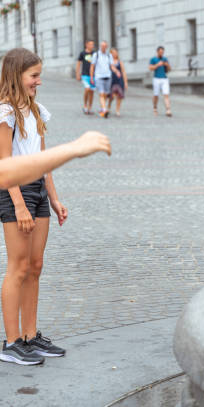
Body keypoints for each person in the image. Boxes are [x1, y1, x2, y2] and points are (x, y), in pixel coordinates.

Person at [0, 48, 110, 366]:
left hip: (37, 191)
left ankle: (31, 337)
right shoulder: (5, 113)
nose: (39, 82)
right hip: (13, 191)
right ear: (16, 76)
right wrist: (19, 206)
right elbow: (5, 164)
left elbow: (45, 162)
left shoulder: (36, 111)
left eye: (39, 75)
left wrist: (55, 198)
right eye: (34, 76)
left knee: (35, 265)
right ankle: (11, 342)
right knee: (18, 267)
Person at [89, 40, 113, 118]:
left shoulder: (109, 55)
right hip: (98, 76)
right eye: (102, 46)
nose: (103, 47)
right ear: (100, 46)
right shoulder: (96, 55)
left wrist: (116, 71)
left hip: (107, 76)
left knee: (105, 94)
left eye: (104, 46)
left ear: (106, 47)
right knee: (101, 93)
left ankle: (102, 108)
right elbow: (92, 66)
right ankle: (104, 109)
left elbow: (111, 66)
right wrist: (91, 77)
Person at [149, 46, 172, 117]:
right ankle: (155, 107)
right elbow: (150, 68)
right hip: (156, 78)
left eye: (162, 52)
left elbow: (169, 69)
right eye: (160, 52)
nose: (161, 53)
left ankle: (168, 109)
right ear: (157, 52)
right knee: (156, 95)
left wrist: (167, 65)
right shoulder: (153, 59)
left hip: (164, 78)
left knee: (166, 94)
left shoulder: (165, 59)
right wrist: (157, 65)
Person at [75, 40, 96, 115]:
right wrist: (77, 74)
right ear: (86, 45)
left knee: (92, 91)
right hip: (85, 74)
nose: (92, 46)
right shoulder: (82, 53)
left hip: (93, 75)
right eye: (90, 44)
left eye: (93, 44)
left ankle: (90, 107)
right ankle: (85, 105)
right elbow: (78, 64)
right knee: (87, 89)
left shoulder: (94, 53)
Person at [108, 48, 127, 117]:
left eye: (115, 53)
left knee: (119, 96)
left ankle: (117, 110)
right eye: (113, 53)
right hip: (112, 80)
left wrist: (125, 82)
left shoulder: (119, 62)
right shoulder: (109, 61)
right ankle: (109, 106)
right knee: (111, 96)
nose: (114, 54)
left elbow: (123, 72)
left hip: (119, 80)